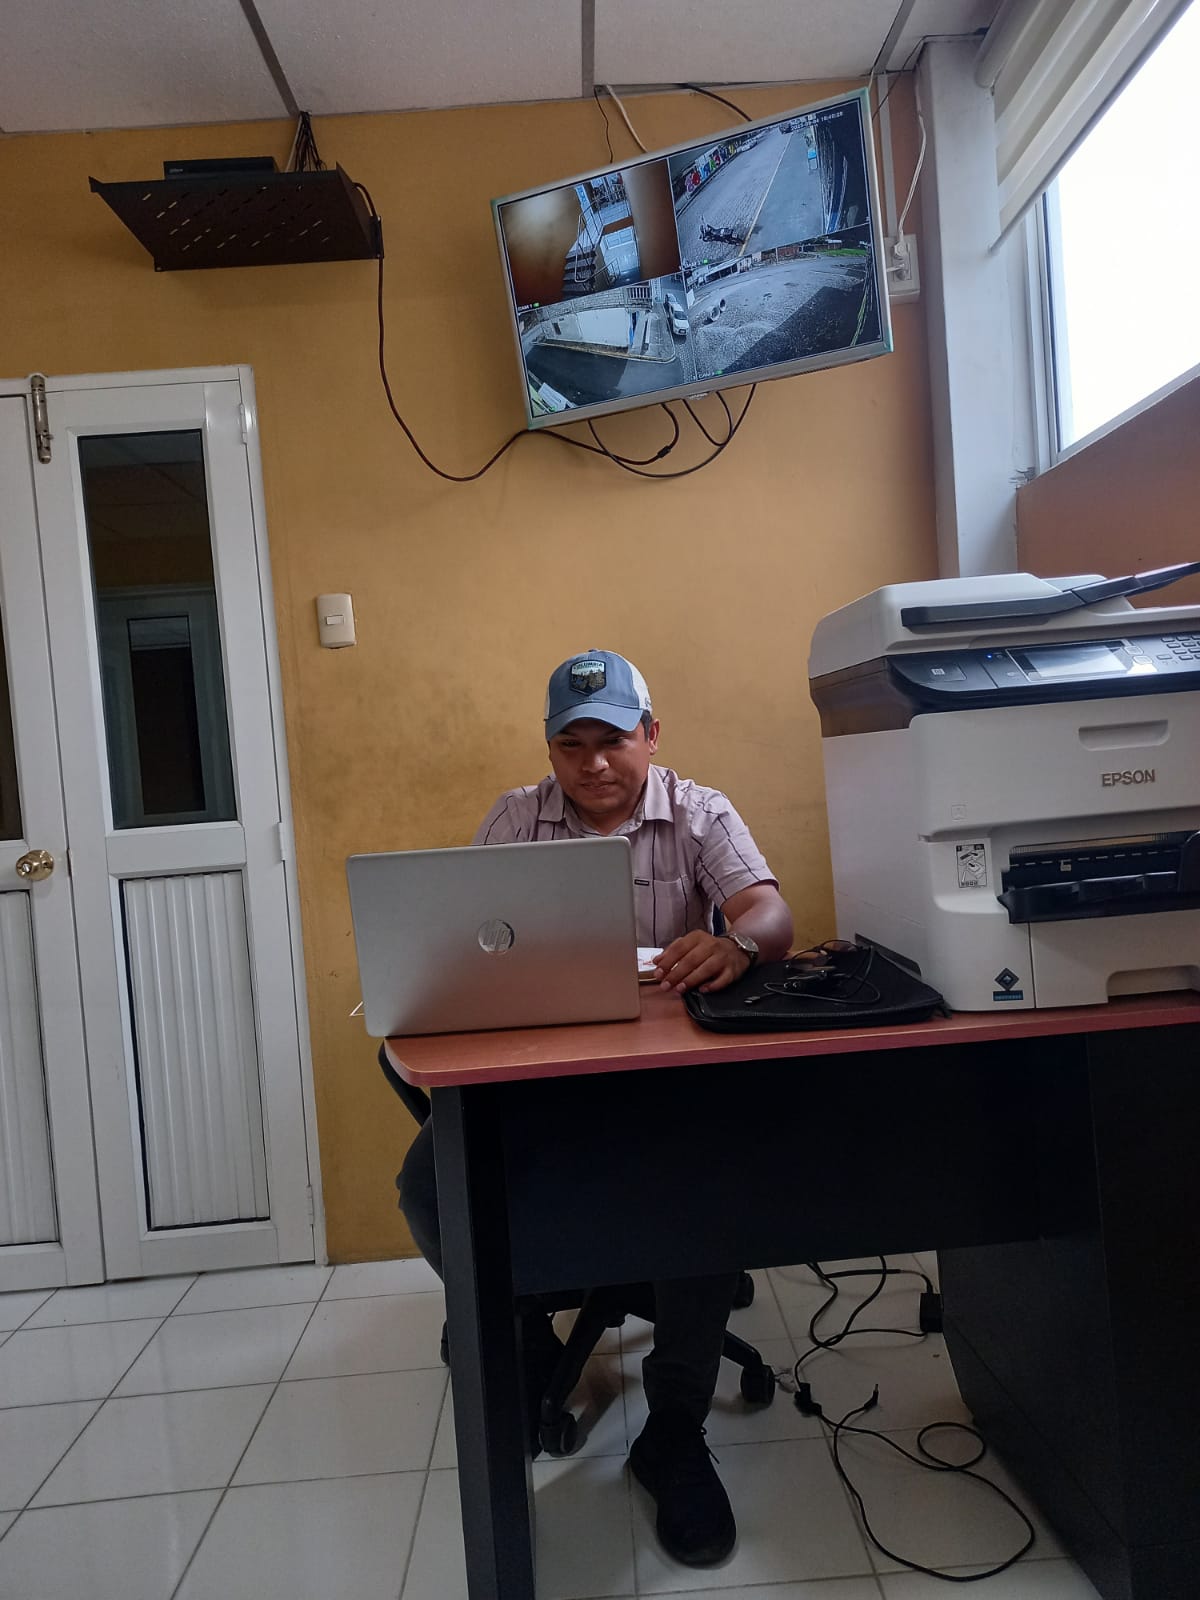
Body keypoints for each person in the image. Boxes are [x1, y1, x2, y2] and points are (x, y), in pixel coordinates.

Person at [396, 648, 794, 1568]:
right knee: (426, 1189)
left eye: (612, 739)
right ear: (550, 749)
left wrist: (737, 944)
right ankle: (525, 1330)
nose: (594, 763)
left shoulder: (699, 812)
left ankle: (674, 1430)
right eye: (570, 744)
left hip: (670, 1090)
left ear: (650, 735)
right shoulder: (517, 818)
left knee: (705, 1199)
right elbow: (464, 940)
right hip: (545, 1084)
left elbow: (769, 914)